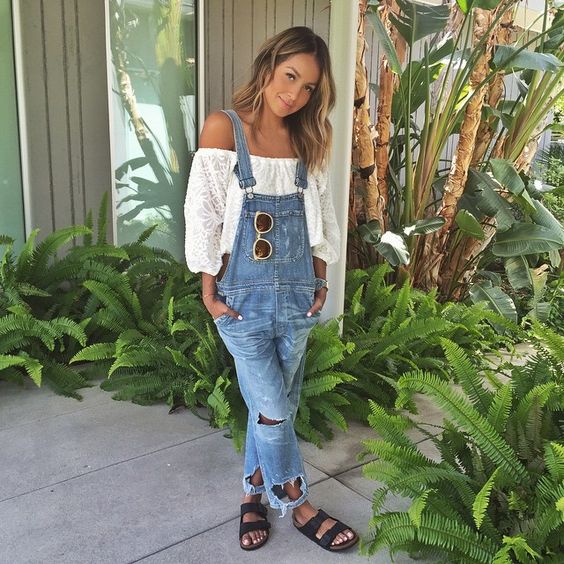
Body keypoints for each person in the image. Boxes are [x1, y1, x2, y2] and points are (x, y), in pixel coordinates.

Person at [184, 26, 358, 553]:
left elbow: (320, 218)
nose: (295, 93)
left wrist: (321, 283)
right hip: (241, 301)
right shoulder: (224, 127)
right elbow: (205, 216)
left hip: (300, 296)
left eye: (308, 87)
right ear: (268, 67)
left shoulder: (307, 138)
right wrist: (209, 292)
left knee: (277, 406)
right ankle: (299, 503)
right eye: (290, 76)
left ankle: (252, 495)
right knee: (275, 410)